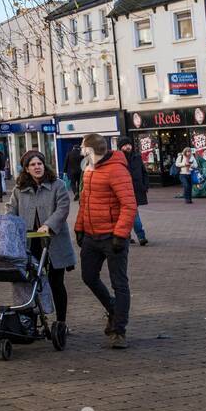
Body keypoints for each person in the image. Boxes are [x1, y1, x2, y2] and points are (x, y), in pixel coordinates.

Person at [74, 133, 137, 349]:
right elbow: (85, 202)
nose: (81, 152)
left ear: (91, 150)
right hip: (92, 235)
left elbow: (129, 204)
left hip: (112, 236)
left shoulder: (117, 170)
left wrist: (120, 234)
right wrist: (79, 228)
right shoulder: (89, 170)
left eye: (84, 149)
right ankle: (112, 308)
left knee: (119, 282)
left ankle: (119, 330)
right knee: (88, 276)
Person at [6, 150, 76, 338]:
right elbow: (11, 209)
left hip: (53, 242)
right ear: (27, 169)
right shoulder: (19, 189)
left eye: (39, 164)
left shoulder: (57, 185)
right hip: (30, 244)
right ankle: (31, 322)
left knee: (56, 282)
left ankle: (61, 322)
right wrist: (7, 224)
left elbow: (62, 209)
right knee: (29, 283)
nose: (37, 167)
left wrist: (48, 225)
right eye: (33, 165)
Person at [118, 140, 149, 245]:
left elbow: (144, 172)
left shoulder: (137, 157)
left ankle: (128, 236)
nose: (128, 147)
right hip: (123, 191)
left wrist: (145, 186)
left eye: (129, 144)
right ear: (120, 147)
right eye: (125, 145)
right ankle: (140, 236)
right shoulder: (117, 159)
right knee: (133, 214)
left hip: (136, 189)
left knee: (130, 214)